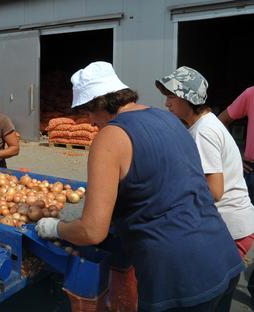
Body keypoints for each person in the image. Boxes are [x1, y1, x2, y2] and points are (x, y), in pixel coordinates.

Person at [35, 61, 243, 311]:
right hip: (222, 256)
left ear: (100, 103)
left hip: (177, 280)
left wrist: (56, 228)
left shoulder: (110, 138)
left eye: (88, 112)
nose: (89, 122)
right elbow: (165, 183)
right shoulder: (169, 120)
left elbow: (92, 231)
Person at [155, 66, 254, 259]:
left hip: (230, 229)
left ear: (188, 98)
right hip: (229, 225)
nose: (167, 103)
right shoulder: (203, 124)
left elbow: (214, 191)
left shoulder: (203, 132)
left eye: (171, 97)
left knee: (208, 285)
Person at [218, 86, 254, 304]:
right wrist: (236, 154)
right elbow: (221, 120)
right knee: (243, 231)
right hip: (252, 173)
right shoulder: (251, 94)